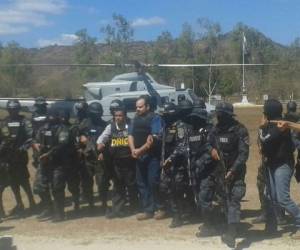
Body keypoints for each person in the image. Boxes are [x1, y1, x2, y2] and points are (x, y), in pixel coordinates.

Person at [208, 102, 249, 248]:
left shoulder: (240, 130)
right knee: (224, 200)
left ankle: (232, 234)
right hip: (220, 171)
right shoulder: (215, 129)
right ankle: (230, 226)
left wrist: (232, 170)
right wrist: (211, 150)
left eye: (220, 114)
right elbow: (208, 143)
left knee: (234, 199)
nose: (217, 117)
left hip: (236, 172)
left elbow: (244, 154)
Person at [259, 99, 300, 239]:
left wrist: (262, 127)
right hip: (272, 163)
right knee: (271, 196)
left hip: (283, 164)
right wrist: (264, 127)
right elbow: (262, 143)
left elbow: (265, 139)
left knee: (283, 198)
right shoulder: (271, 124)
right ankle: (272, 225)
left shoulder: (280, 125)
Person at [97, 102, 138, 218]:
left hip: (129, 161)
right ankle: (118, 210)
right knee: (118, 185)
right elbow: (101, 139)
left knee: (131, 185)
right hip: (116, 162)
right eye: (116, 116)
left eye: (120, 115)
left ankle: (134, 207)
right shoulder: (110, 127)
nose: (118, 118)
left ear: (125, 116)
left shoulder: (130, 125)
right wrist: (100, 145)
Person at [128, 95, 163, 220]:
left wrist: (139, 150)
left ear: (147, 106)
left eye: (140, 106)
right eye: (136, 107)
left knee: (153, 181)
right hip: (138, 156)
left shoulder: (155, 118)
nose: (137, 109)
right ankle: (148, 210)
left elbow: (152, 139)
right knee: (142, 183)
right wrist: (133, 150)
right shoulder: (134, 119)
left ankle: (161, 208)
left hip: (152, 156)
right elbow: (130, 135)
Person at [0, 99, 35, 216]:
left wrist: (23, 148)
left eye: (15, 109)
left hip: (20, 156)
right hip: (7, 157)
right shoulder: (3, 122)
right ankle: (19, 204)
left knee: (24, 180)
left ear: (18, 109)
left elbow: (30, 137)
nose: (13, 111)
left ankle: (32, 202)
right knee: (12, 182)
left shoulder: (24, 121)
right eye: (11, 110)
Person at [78, 102, 108, 211]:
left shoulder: (104, 125)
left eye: (98, 113)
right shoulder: (83, 124)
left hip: (99, 158)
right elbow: (76, 139)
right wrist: (81, 141)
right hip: (87, 158)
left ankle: (104, 203)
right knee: (86, 183)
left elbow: (108, 141)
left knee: (102, 182)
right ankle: (91, 204)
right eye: (95, 113)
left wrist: (103, 153)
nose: (97, 115)